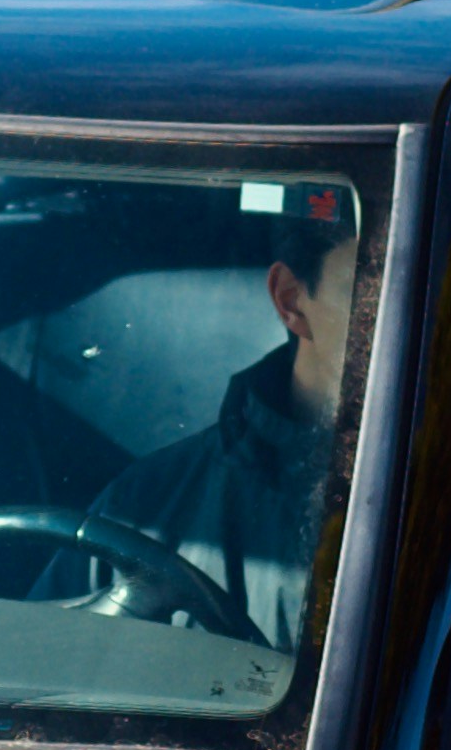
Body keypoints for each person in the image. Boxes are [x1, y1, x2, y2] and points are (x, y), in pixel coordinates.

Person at [101, 185, 358, 651]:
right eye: (372, 289)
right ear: (291, 300)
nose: (417, 321)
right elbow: (31, 684)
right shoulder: (141, 510)